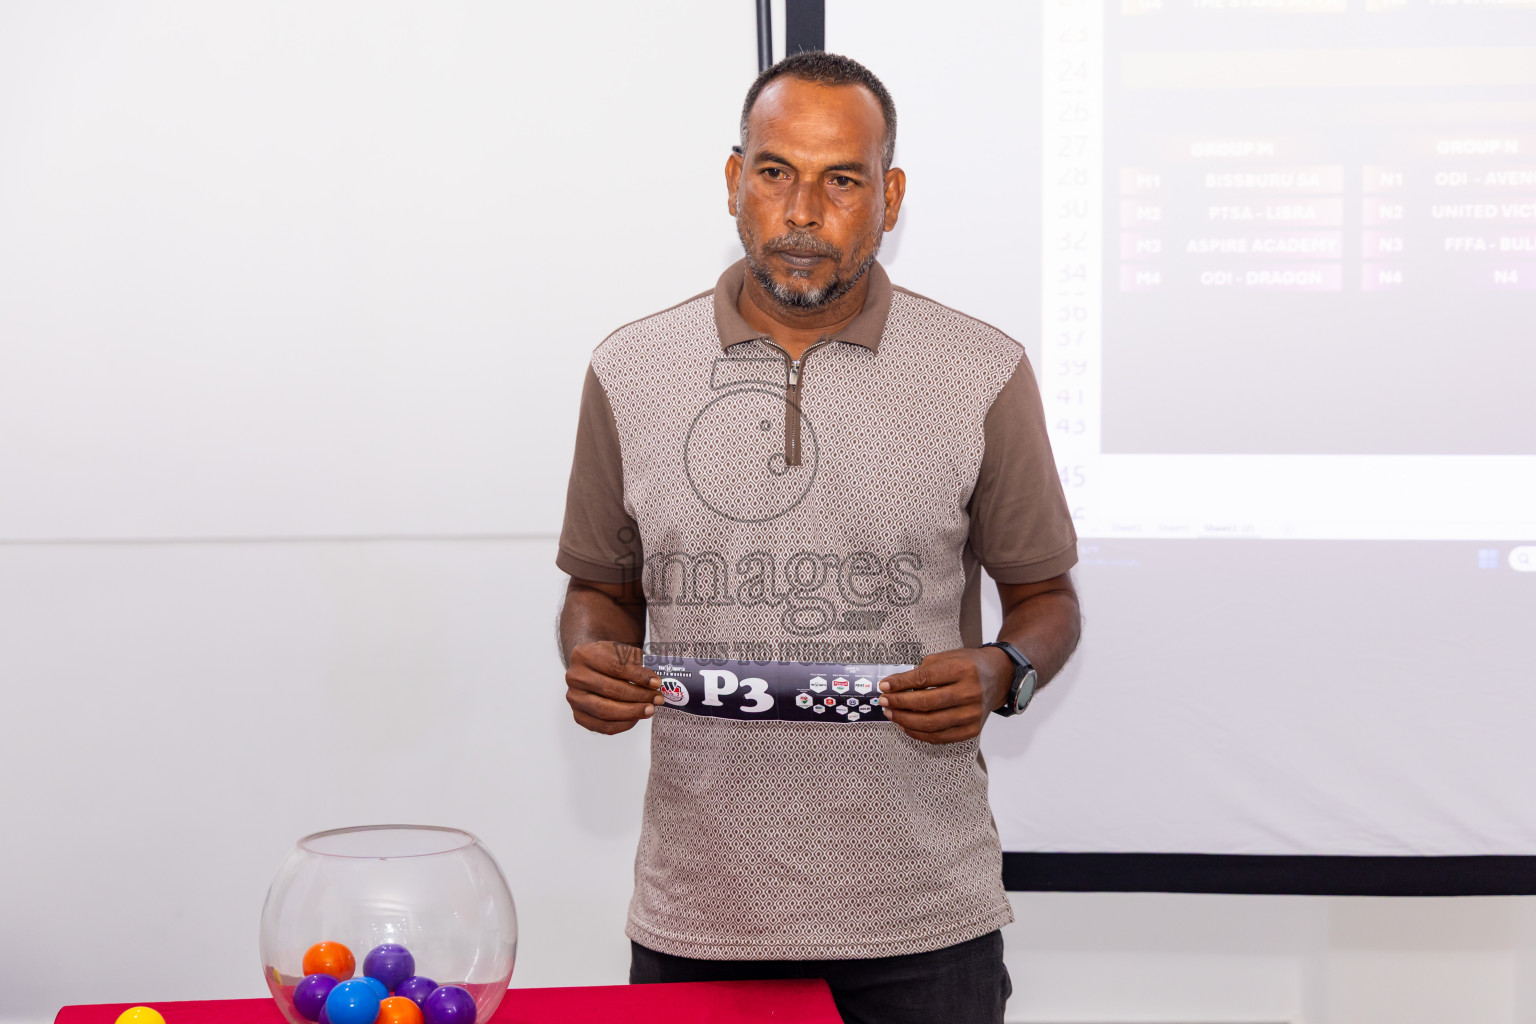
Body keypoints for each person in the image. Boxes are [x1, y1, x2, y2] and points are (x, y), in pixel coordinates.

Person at [555, 51, 1081, 1024]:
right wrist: (591, 655)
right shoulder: (629, 369)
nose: (802, 211)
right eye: (774, 172)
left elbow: (1047, 600)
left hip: (924, 925)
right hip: (699, 923)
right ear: (732, 181)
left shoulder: (982, 370)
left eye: (841, 179)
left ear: (890, 194)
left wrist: (1005, 666)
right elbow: (599, 585)